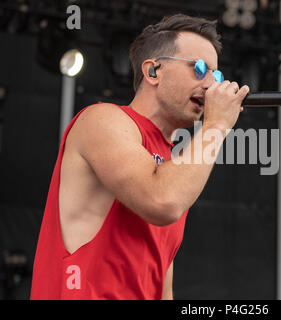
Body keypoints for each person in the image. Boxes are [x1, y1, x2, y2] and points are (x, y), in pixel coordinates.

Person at [30, 13, 249, 300]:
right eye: (198, 69)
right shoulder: (103, 120)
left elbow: (161, 284)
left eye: (216, 75)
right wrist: (217, 126)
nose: (211, 85)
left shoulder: (173, 166)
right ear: (153, 71)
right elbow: (162, 201)